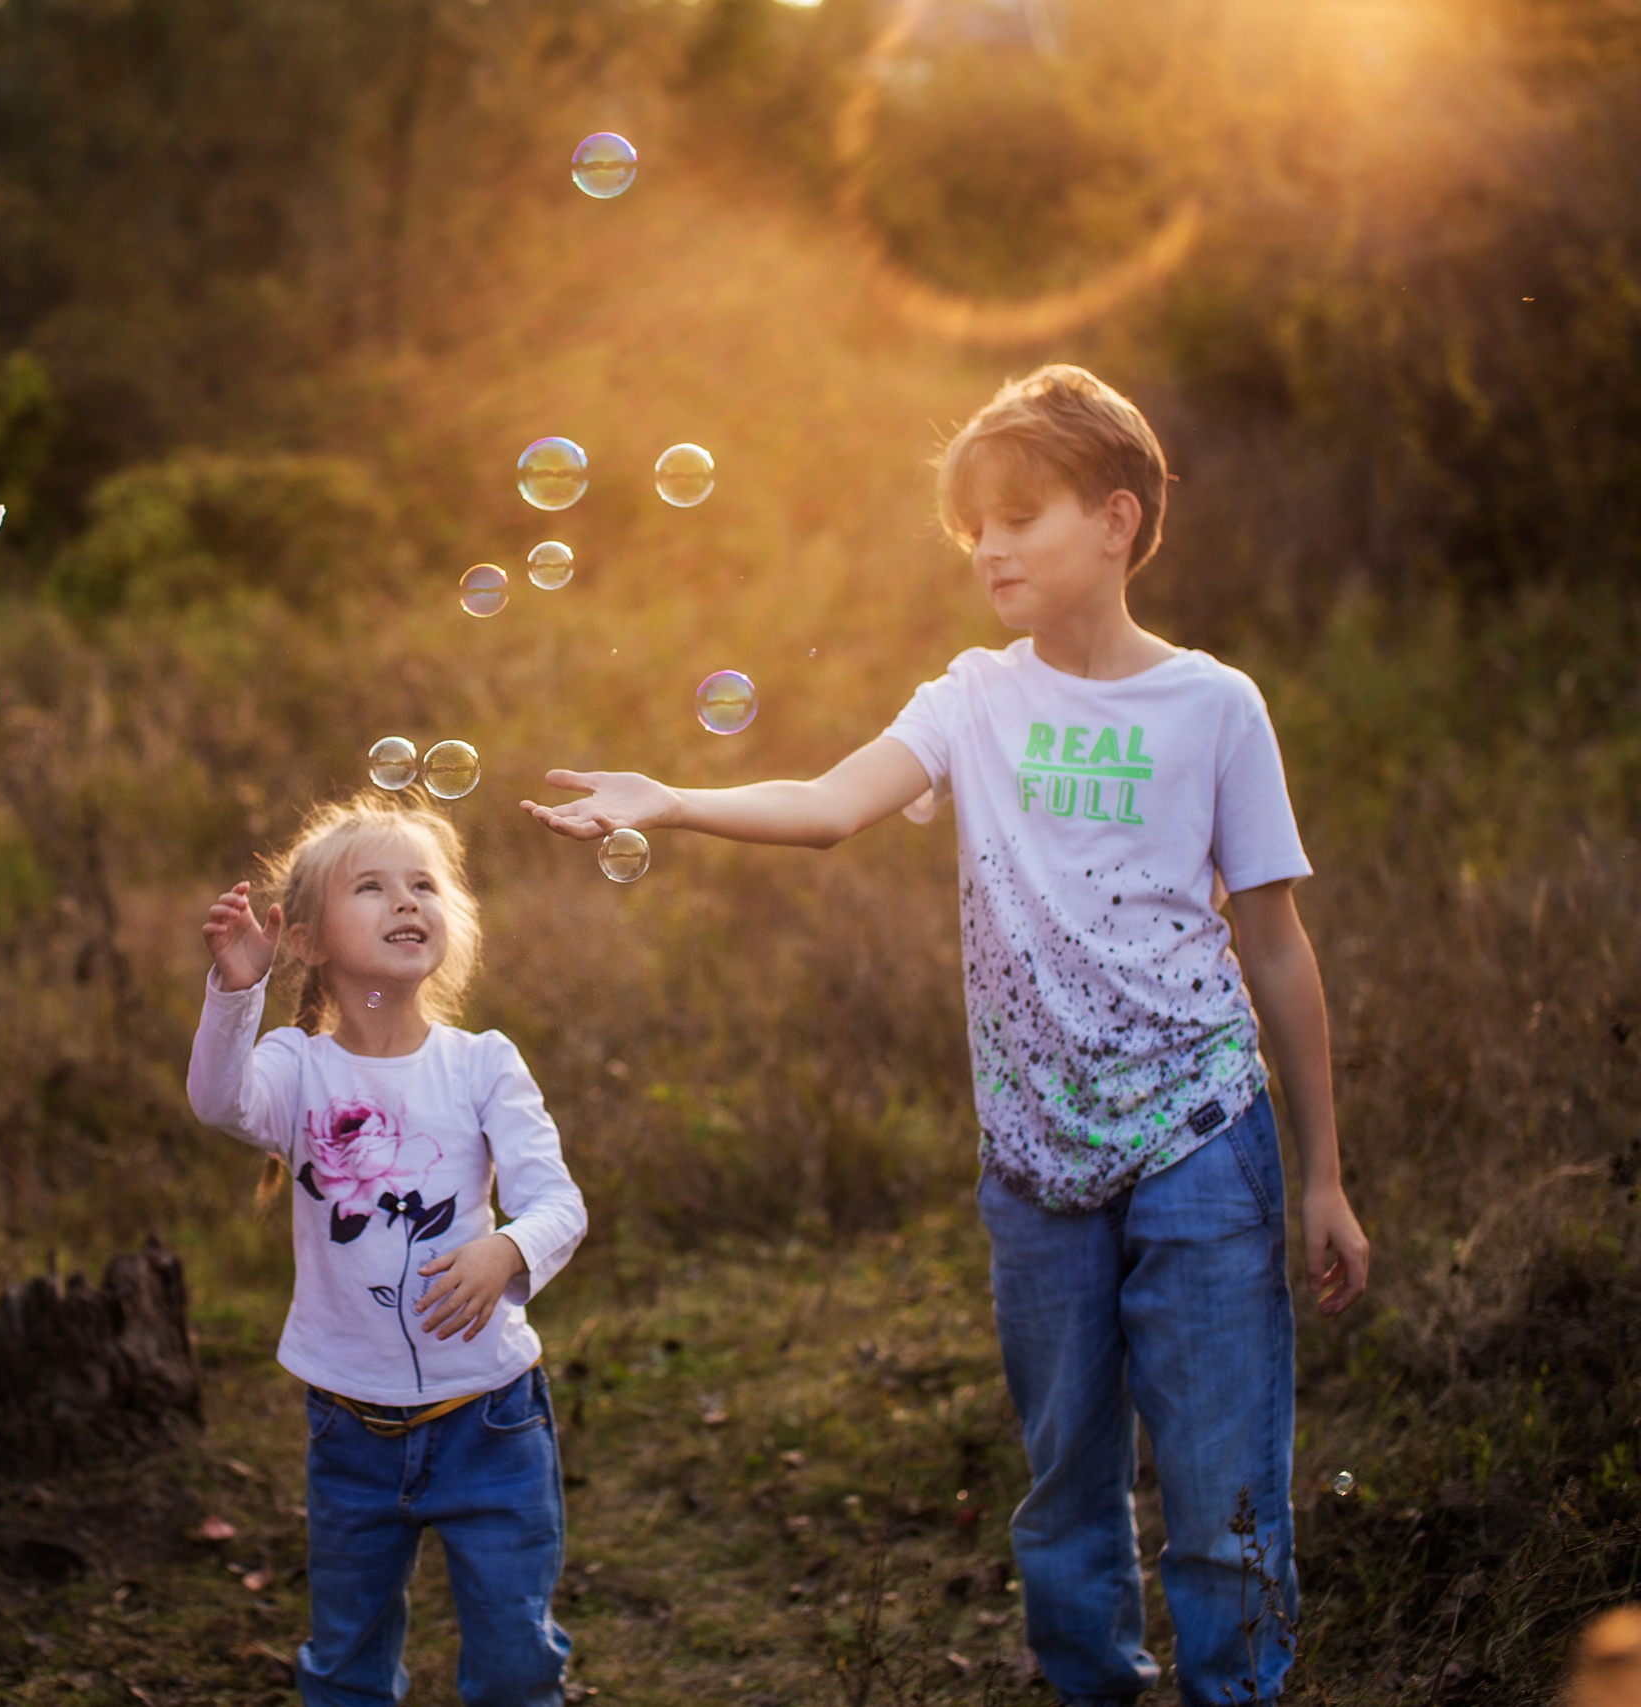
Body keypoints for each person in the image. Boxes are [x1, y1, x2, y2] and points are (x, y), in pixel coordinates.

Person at [523, 365, 1370, 1707]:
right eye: (972, 525)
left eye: (1020, 516)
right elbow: (822, 806)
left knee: (1222, 1490)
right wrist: (668, 796)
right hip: (1032, 1157)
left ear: (1117, 518)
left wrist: (1320, 1176)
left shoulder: (1216, 706)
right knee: (1063, 1489)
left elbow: (1274, 941)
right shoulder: (971, 696)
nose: (988, 547)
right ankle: (1093, 1685)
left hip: (1203, 1139)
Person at [189, 791, 590, 1707]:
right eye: (371, 887)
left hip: (490, 1421)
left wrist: (507, 1253)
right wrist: (235, 990)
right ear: (308, 939)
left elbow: (557, 1203)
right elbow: (218, 1101)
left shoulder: (484, 1062)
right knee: (346, 1659)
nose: (407, 901)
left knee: (514, 1656)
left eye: (424, 884)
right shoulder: (297, 1068)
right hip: (349, 1432)